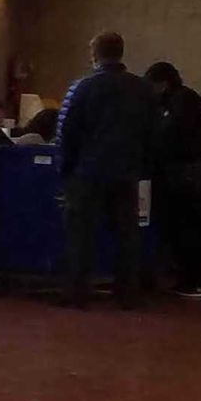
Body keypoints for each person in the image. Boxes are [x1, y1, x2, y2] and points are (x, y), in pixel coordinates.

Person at [56, 32, 157, 308]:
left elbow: (67, 131)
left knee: (81, 235)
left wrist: (65, 169)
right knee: (127, 234)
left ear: (95, 54)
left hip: (87, 172)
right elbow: (153, 132)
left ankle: (77, 292)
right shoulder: (143, 88)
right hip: (127, 172)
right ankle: (127, 293)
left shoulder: (83, 87)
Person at [146, 62, 201, 300]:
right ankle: (194, 278)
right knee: (193, 223)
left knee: (196, 223)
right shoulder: (179, 99)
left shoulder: (182, 100)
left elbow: (171, 134)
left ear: (162, 83)